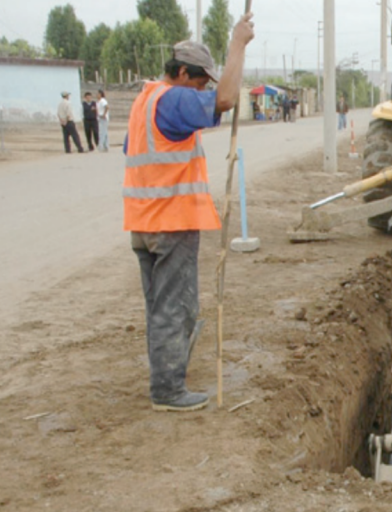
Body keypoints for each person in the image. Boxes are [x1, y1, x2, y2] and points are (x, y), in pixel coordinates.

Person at [122, 13, 255, 412]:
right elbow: (226, 101)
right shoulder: (173, 98)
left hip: (144, 222)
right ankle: (167, 389)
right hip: (170, 222)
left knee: (162, 307)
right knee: (176, 308)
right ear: (181, 73)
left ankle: (169, 371)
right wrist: (237, 45)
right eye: (199, 82)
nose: (201, 91)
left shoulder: (145, 101)